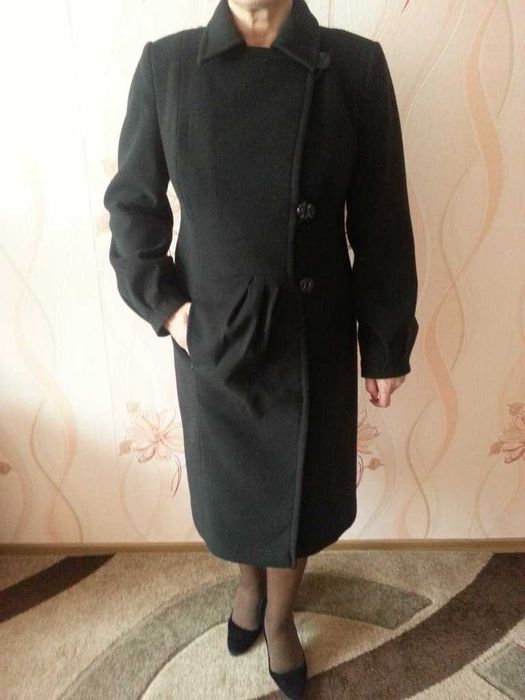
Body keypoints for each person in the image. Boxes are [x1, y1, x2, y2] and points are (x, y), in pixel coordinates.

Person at [103, 1, 419, 696]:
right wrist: (171, 312)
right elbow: (132, 206)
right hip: (213, 334)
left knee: (297, 492)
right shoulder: (167, 66)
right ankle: (247, 589)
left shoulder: (355, 67)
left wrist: (385, 342)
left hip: (313, 332)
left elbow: (380, 216)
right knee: (233, 490)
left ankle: (278, 618)